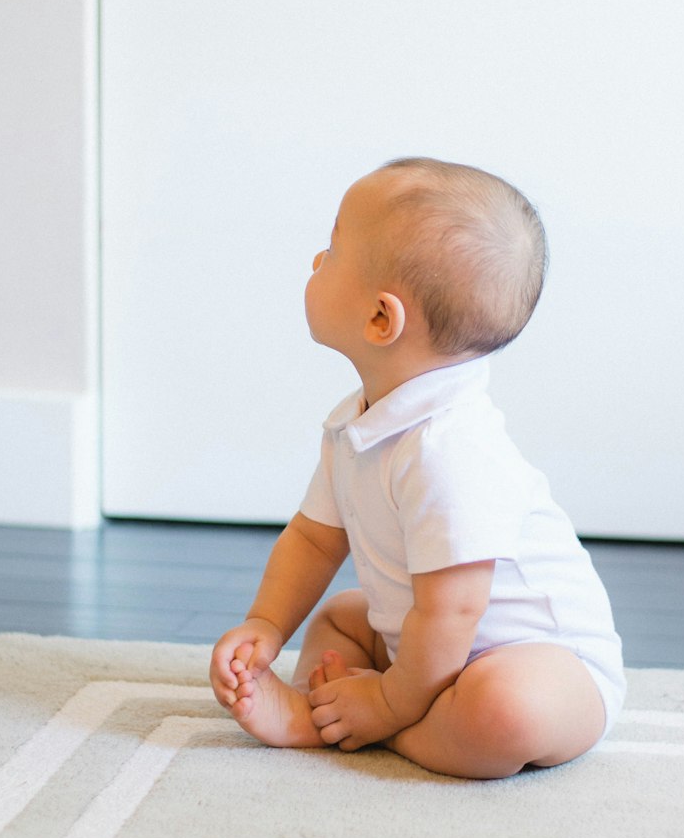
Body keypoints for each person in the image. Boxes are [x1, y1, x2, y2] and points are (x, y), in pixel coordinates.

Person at [210, 156, 625, 779]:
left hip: (545, 665)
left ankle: (374, 729)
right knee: (338, 617)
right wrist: (266, 625)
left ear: (381, 318)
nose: (316, 262)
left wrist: (387, 704)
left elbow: (454, 612)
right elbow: (314, 538)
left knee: (502, 710)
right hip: (423, 644)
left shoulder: (449, 450)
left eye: (332, 249)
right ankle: (340, 707)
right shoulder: (358, 423)